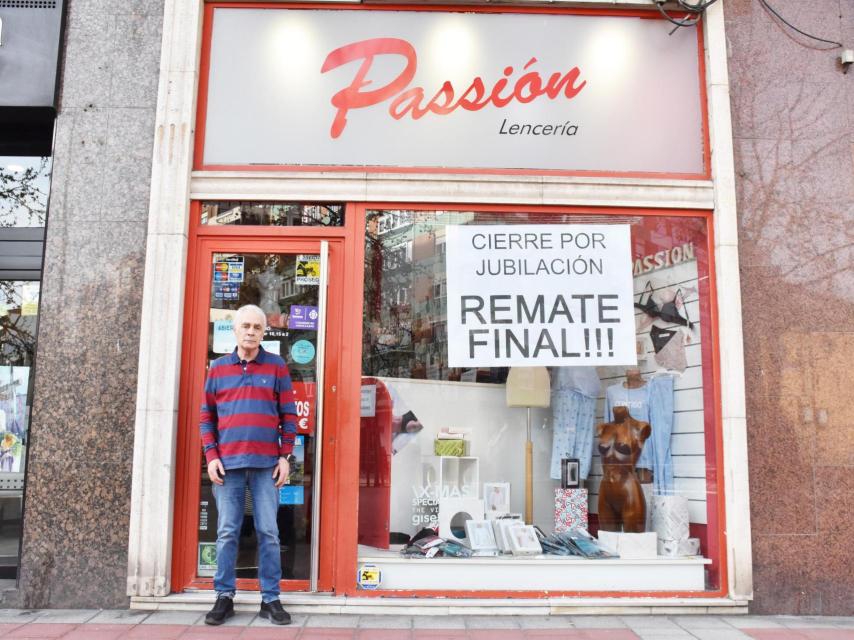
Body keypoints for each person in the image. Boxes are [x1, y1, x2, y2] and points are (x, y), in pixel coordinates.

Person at [199, 304, 297, 625]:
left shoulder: (276, 367)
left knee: (268, 531)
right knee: (227, 532)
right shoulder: (218, 369)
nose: (251, 331)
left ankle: (270, 599)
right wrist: (211, 457)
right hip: (227, 465)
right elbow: (206, 417)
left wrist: (285, 456)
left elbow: (289, 416)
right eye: (246, 326)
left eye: (257, 327)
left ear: (263, 332)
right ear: (236, 330)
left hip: (267, 465)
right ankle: (224, 596)